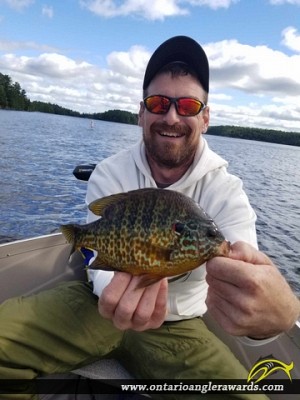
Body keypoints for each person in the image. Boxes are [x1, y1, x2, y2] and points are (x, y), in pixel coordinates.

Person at [0, 36, 299, 400]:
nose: (171, 116)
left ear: (205, 118)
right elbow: (99, 260)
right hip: (96, 308)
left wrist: (276, 316)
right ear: (141, 112)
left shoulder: (227, 191)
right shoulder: (110, 172)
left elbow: (245, 277)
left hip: (180, 328)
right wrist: (110, 284)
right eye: (158, 103)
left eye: (188, 105)